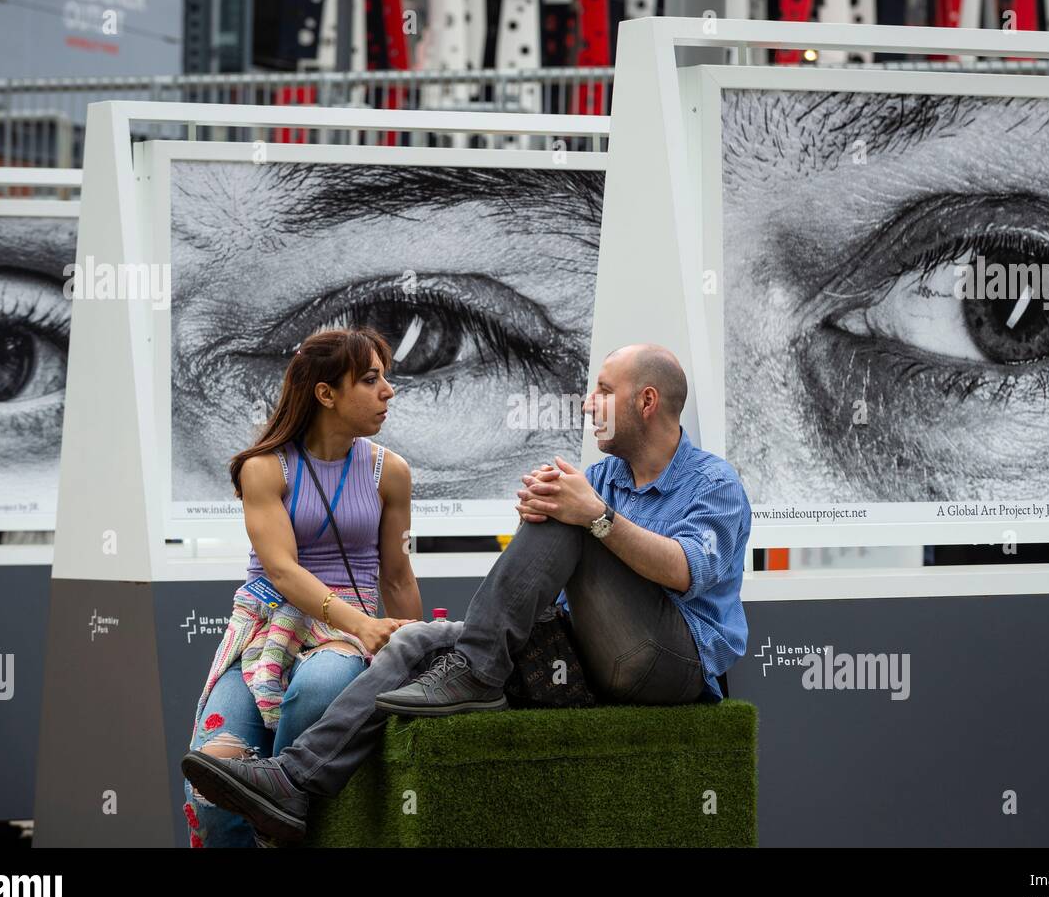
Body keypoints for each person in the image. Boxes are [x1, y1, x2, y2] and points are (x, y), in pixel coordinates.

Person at [182, 343, 751, 845]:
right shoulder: (603, 478)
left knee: (566, 518)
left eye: (603, 390)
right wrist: (547, 510)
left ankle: (475, 670)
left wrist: (593, 518)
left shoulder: (713, 482)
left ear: (646, 402)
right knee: (415, 642)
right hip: (588, 655)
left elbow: (685, 570)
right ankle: (294, 781)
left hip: (670, 665)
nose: (587, 403)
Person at [183, 328, 422, 848]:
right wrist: (363, 623)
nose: (389, 391)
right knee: (207, 776)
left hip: (343, 638)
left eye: (386, 378)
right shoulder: (263, 468)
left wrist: (415, 655)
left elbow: (398, 576)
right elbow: (283, 571)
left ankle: (282, 801)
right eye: (371, 379)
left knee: (317, 687)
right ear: (325, 393)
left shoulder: (391, 473)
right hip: (267, 631)